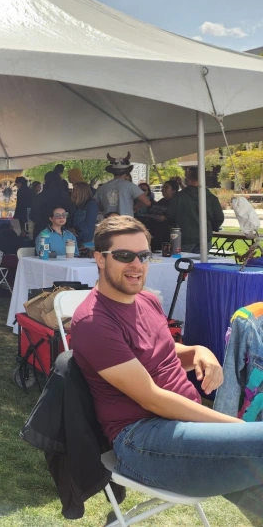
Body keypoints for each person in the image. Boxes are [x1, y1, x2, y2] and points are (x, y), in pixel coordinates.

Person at [71, 216, 263, 523]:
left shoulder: (146, 300)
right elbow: (152, 399)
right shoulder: (93, 322)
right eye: (124, 256)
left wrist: (200, 351)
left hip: (181, 428)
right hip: (142, 440)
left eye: (144, 256)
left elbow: (163, 351)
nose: (137, 265)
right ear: (99, 258)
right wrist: (234, 427)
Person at [167, 168, 224, 253]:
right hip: (204, 237)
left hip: (185, 237)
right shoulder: (211, 198)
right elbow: (219, 217)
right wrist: (211, 228)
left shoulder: (178, 196)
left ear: (189, 178)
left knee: (183, 265)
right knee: (200, 265)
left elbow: (170, 216)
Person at [94, 153, 151, 217]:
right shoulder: (130, 186)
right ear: (127, 172)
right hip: (126, 222)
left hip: (109, 222)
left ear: (113, 172)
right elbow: (147, 202)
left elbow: (95, 204)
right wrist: (136, 207)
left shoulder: (102, 188)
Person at [30, 171, 73, 240]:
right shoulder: (65, 197)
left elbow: (33, 216)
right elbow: (70, 214)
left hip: (42, 231)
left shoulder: (39, 197)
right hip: (60, 232)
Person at [140, 180, 178, 251]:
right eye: (163, 187)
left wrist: (149, 216)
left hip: (165, 236)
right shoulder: (161, 201)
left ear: (173, 190)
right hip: (154, 233)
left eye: (166, 187)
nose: (163, 189)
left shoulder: (174, 203)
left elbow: (163, 218)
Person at [70, 181, 98, 249]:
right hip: (73, 238)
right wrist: (70, 229)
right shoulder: (75, 205)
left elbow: (89, 223)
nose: (72, 192)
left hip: (85, 239)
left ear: (81, 192)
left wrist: (75, 229)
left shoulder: (91, 204)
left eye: (75, 190)